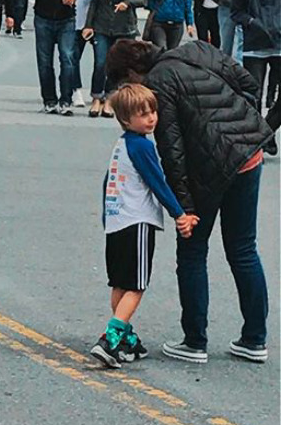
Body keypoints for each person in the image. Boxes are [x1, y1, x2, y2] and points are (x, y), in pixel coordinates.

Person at [107, 38, 272, 364]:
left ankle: (194, 341)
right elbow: (249, 84)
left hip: (209, 168)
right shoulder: (197, 48)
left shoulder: (157, 83)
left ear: (132, 72)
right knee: (243, 250)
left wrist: (183, 209)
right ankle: (255, 339)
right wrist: (232, 120)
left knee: (193, 251)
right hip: (249, 154)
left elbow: (172, 149)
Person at [91, 84, 197, 367]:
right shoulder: (142, 146)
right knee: (136, 286)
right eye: (143, 114)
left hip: (116, 221)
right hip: (137, 221)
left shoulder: (122, 144)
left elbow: (107, 182)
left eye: (153, 111)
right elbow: (157, 182)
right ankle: (110, 339)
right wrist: (179, 214)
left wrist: (106, 218)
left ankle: (126, 337)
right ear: (126, 119)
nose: (151, 118)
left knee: (120, 283)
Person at [230, 0, 281, 156]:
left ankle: (267, 131)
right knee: (253, 95)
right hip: (254, 44)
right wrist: (251, 22)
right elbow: (236, 11)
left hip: (280, 44)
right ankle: (255, 144)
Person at [27, 0, 86, 114]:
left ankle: (66, 99)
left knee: (68, 57)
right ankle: (49, 99)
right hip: (43, 16)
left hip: (66, 17)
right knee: (44, 60)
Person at [83, 0, 146, 117]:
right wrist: (88, 25)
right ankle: (96, 97)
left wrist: (128, 3)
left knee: (116, 66)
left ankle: (110, 99)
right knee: (100, 62)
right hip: (102, 27)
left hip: (123, 29)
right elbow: (94, 4)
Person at [70, 0, 97, 107]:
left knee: (101, 58)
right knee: (73, 55)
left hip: (93, 15)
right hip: (74, 12)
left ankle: (99, 94)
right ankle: (75, 90)